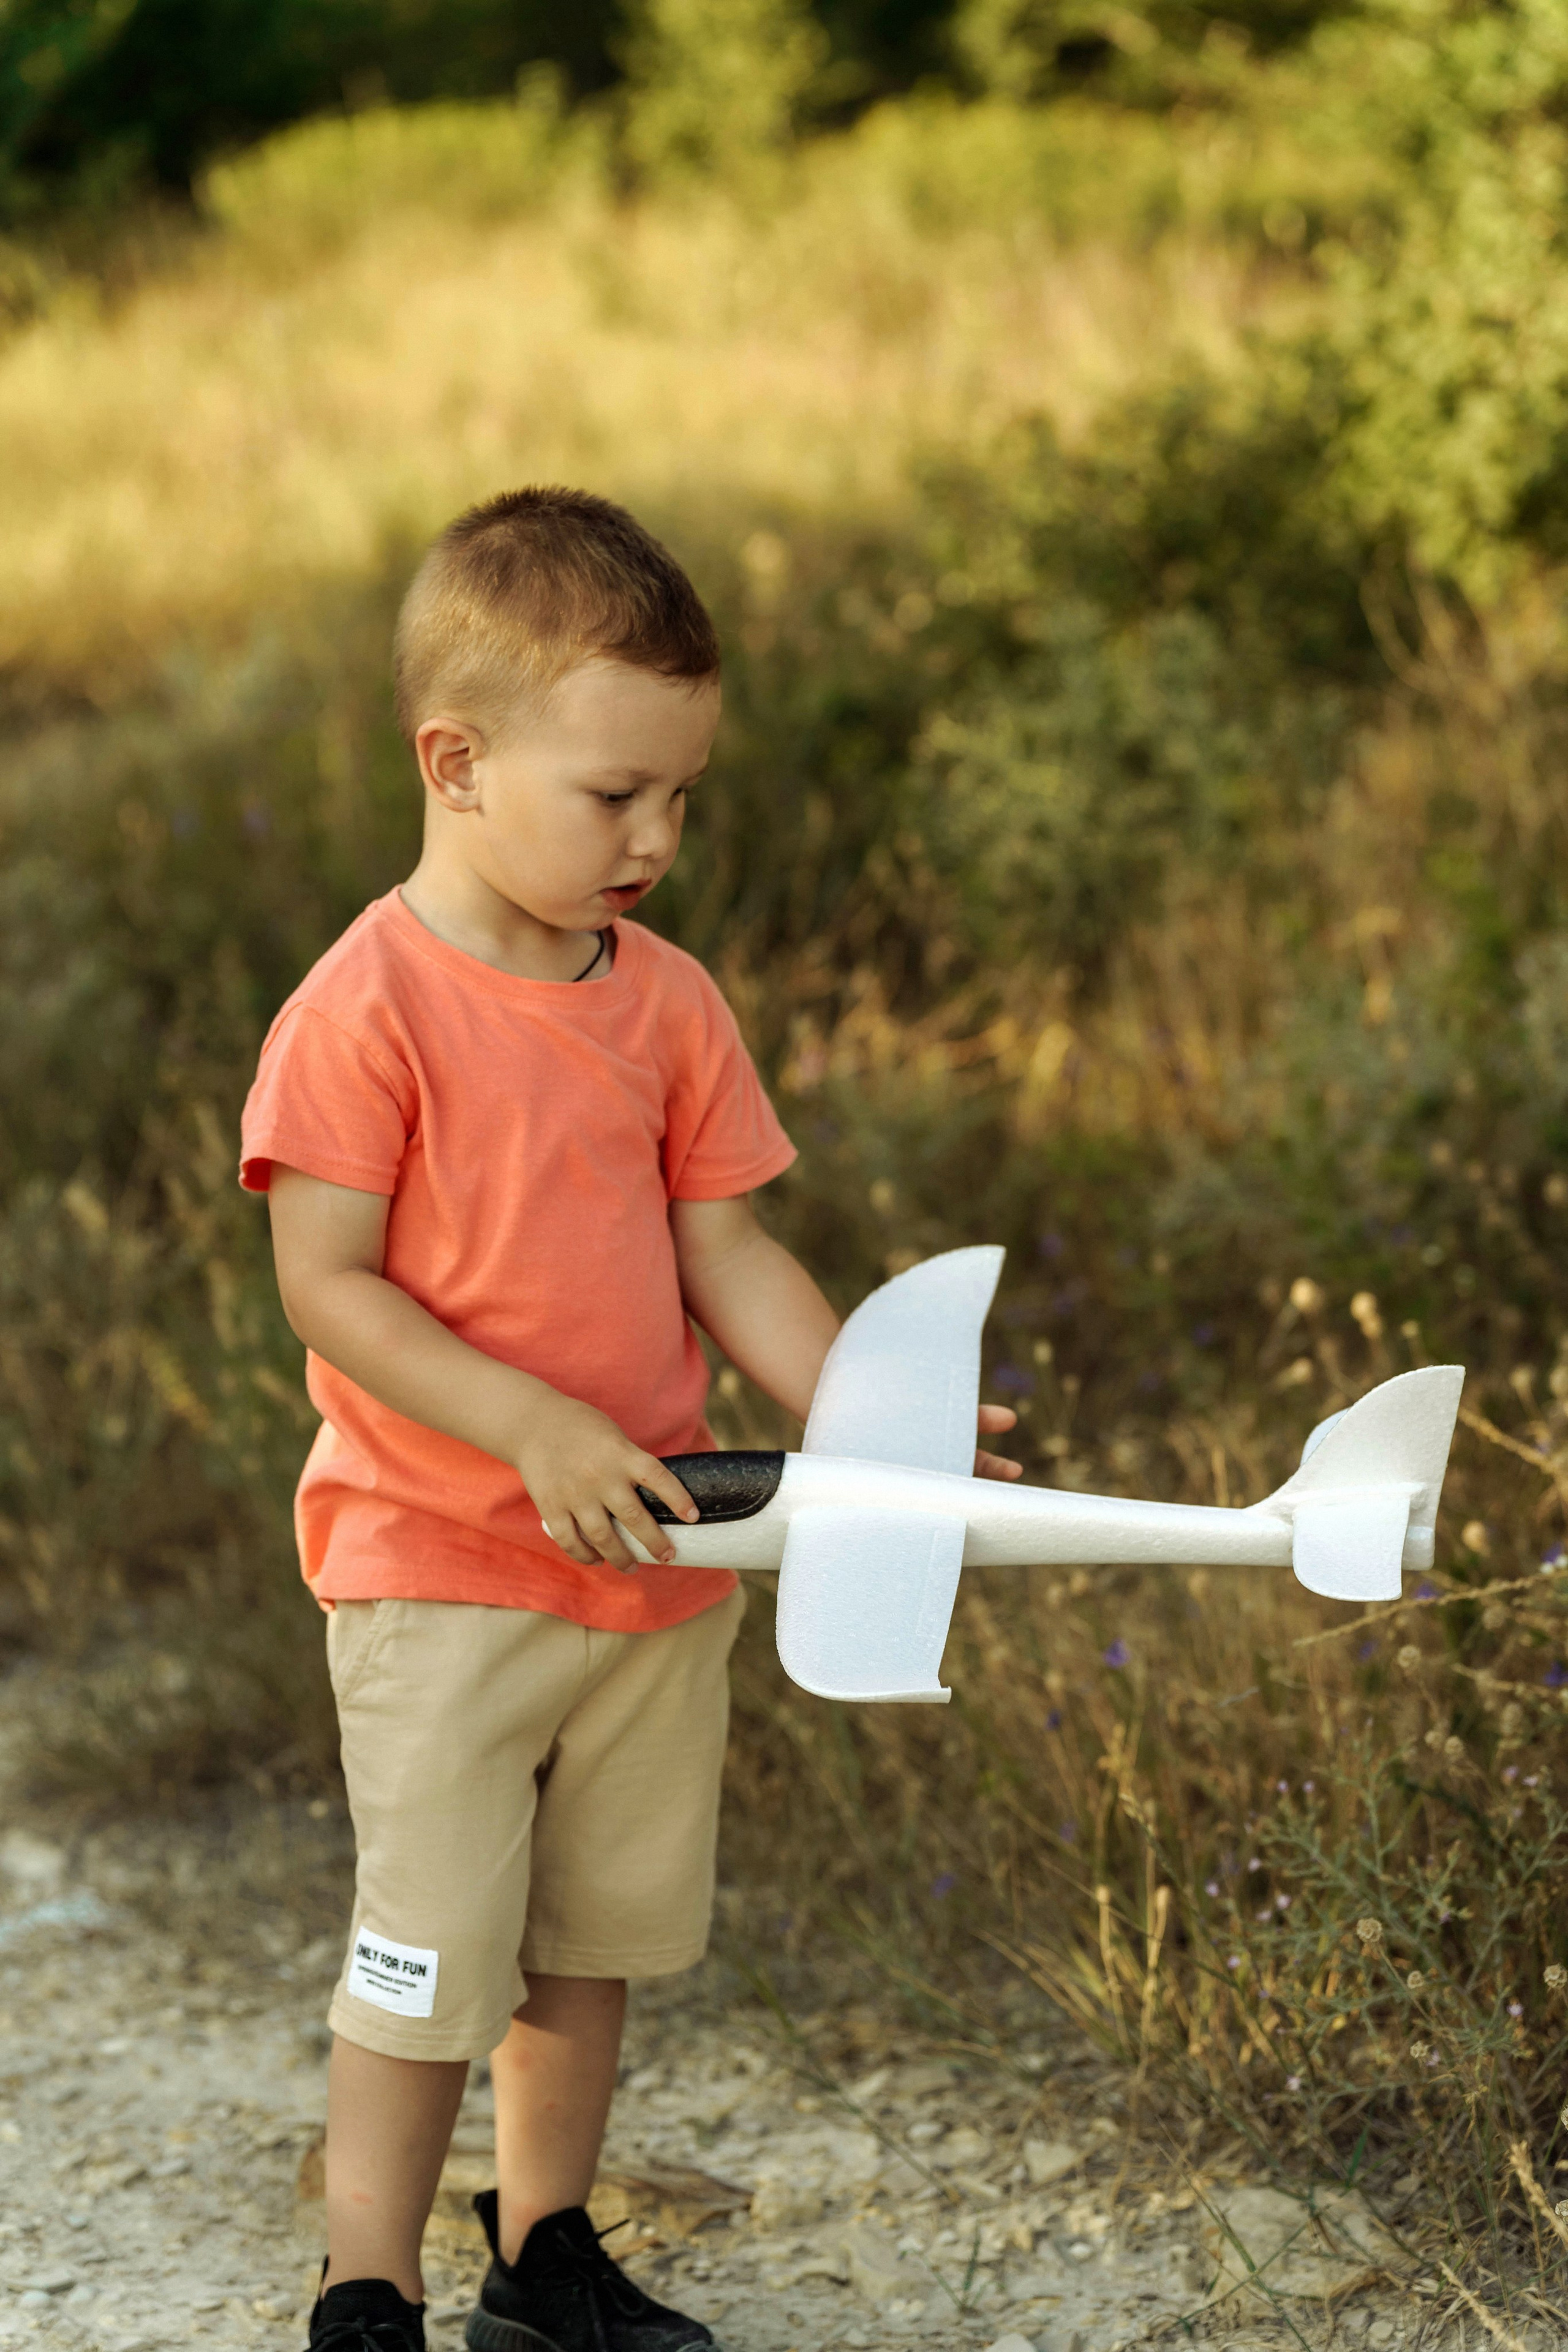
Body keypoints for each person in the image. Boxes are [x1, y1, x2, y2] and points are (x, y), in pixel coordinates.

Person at [240, 487, 1020, 2352]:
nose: (659, 839)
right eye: (616, 797)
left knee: (589, 1948)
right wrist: (529, 1427)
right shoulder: (365, 1014)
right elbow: (328, 1285)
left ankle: (547, 2254)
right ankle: (368, 2287)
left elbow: (728, 1252)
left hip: (659, 1567)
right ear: (458, 760)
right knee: (431, 1950)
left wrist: (875, 1424)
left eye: (685, 796)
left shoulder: (666, 1005)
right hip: (443, 1569)